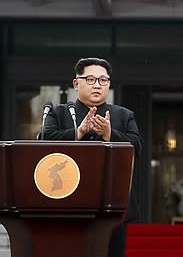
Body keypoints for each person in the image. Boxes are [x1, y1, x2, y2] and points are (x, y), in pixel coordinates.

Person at [43, 57, 143, 257]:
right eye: (90, 79)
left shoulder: (123, 116)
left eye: (103, 80)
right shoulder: (61, 113)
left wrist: (109, 133)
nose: (97, 85)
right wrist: (78, 132)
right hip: (68, 203)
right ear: (76, 83)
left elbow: (137, 147)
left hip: (112, 204)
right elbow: (46, 142)